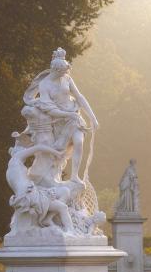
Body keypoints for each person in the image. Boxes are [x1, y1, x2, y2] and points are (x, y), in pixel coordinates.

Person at [24, 48, 100, 183]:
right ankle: (50, 178)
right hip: (59, 121)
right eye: (64, 71)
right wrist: (68, 114)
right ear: (56, 70)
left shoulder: (66, 78)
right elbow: (50, 110)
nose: (66, 73)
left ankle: (75, 176)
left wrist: (92, 117)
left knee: (78, 142)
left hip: (74, 116)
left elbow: (79, 97)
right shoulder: (44, 85)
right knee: (58, 154)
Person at [6, 143, 74, 233]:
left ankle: (49, 218)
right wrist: (57, 153)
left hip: (32, 192)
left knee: (65, 191)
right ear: (16, 152)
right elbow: (39, 147)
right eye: (23, 150)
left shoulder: (13, 169)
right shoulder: (16, 158)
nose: (25, 152)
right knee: (63, 207)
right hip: (31, 196)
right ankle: (70, 232)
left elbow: (23, 184)